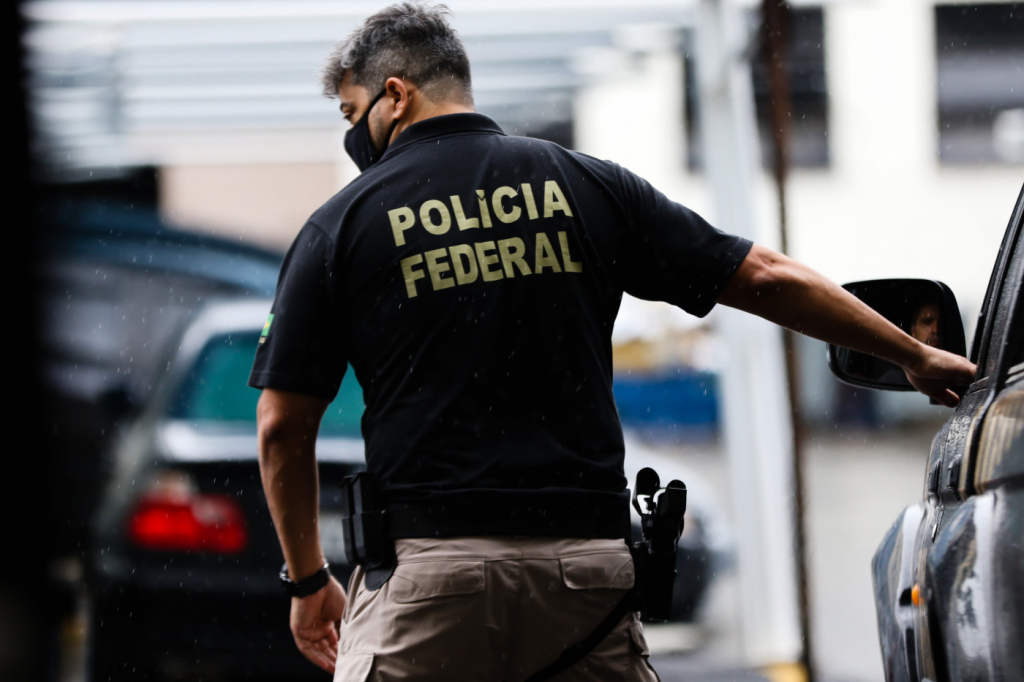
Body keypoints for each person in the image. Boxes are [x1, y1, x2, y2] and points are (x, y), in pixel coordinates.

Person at [249, 4, 977, 680]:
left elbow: (283, 426)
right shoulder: (586, 185)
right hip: (585, 576)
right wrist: (913, 354)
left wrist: (309, 581)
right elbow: (763, 274)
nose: (353, 136)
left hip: (430, 582)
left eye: (353, 113)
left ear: (397, 94)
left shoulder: (340, 225)